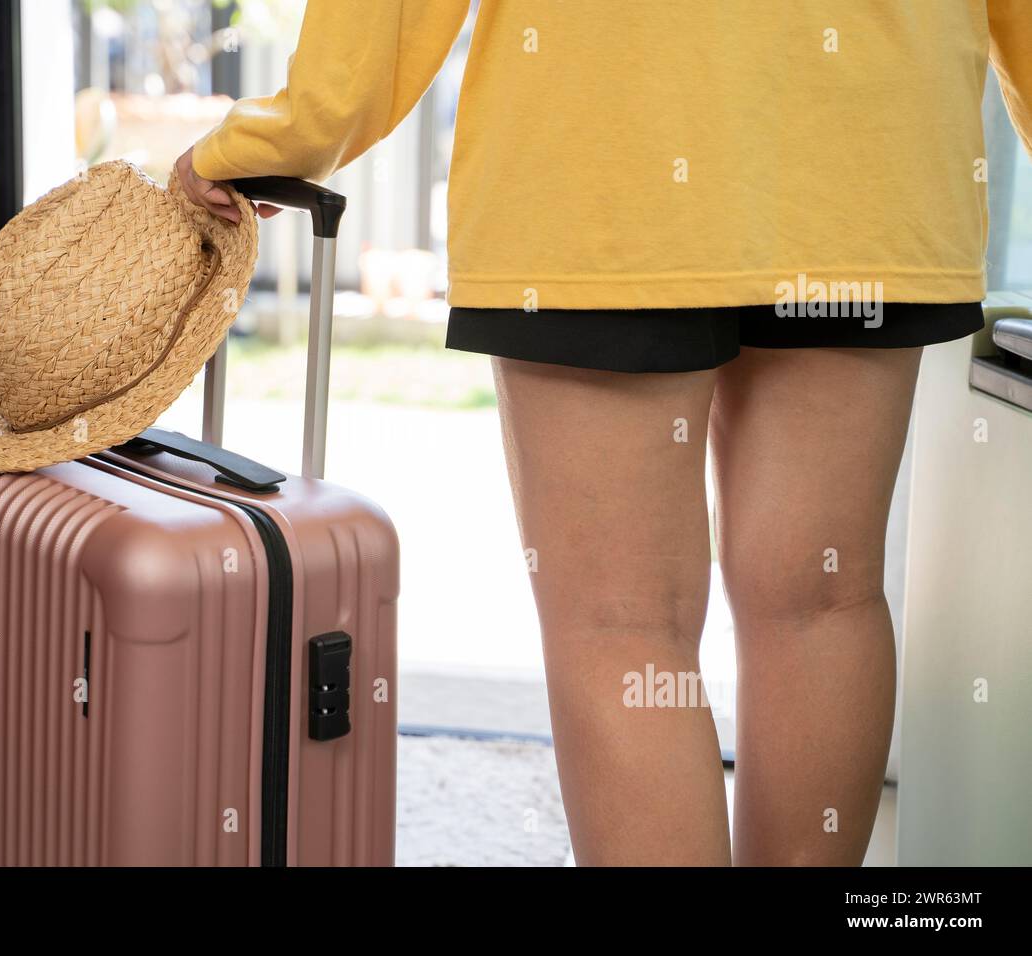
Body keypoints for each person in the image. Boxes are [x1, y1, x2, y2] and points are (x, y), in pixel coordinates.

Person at [176, 0, 1032, 866]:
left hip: (606, 147)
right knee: (821, 602)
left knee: (623, 630)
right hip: (873, 153)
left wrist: (293, 131)